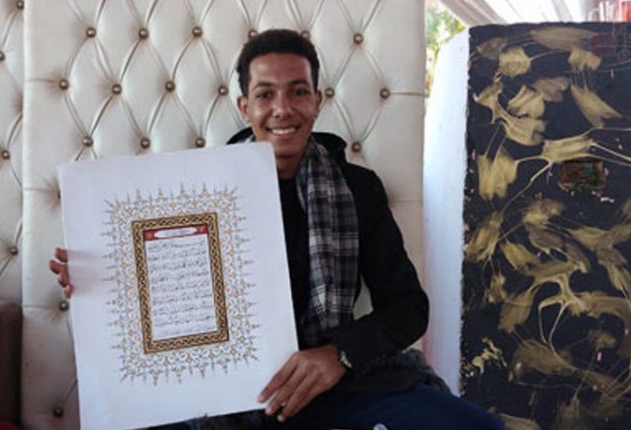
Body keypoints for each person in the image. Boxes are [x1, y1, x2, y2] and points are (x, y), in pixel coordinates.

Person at [50, 29, 504, 430]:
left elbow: (407, 308)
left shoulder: (357, 189)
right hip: (223, 389)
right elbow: (167, 295)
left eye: (297, 92)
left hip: (333, 382)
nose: (282, 109)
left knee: (470, 425)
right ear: (245, 106)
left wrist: (338, 354)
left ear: (316, 101)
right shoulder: (195, 192)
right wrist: (102, 280)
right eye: (265, 95)